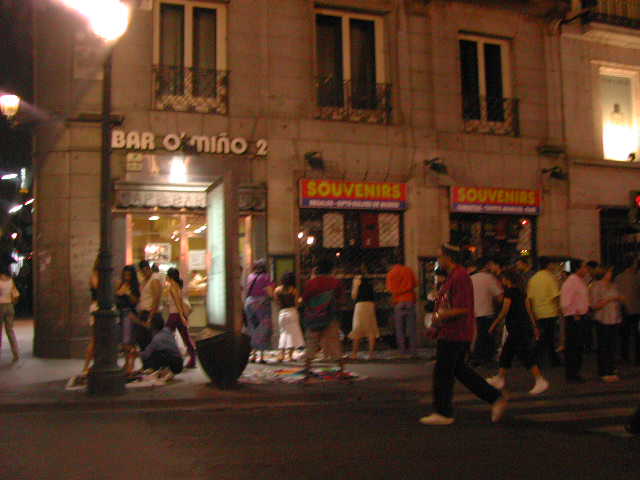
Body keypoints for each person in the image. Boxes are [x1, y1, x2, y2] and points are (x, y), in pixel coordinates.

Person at [420, 244, 507, 426]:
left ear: (448, 257)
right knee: (460, 371)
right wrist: (437, 324)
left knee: (443, 373)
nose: (438, 260)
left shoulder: (459, 277)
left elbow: (462, 308)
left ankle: (444, 412)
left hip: (455, 332)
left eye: (440, 256)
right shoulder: (453, 277)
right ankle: (494, 397)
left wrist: (441, 316)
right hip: (450, 331)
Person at [486, 270, 549, 395]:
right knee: (507, 353)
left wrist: (494, 324)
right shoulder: (522, 292)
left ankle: (540, 380)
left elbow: (504, 311)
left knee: (524, 354)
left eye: (503, 278)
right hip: (523, 326)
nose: (501, 281)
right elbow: (528, 310)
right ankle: (500, 378)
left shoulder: (509, 293)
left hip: (516, 328)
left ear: (507, 279)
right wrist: (534, 326)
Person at [302, 259, 346, 377]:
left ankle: (307, 368)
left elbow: (305, 298)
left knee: (311, 342)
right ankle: (341, 369)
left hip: (313, 317)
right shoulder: (336, 282)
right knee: (334, 342)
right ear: (331, 269)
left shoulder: (311, 283)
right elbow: (341, 299)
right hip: (330, 317)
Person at [590, 267, 624, 382]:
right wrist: (609, 299)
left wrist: (619, 300)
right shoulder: (596, 286)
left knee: (612, 345)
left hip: (614, 319)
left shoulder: (613, 285)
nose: (611, 274)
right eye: (609, 272)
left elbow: (618, 298)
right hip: (603, 319)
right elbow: (594, 305)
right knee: (604, 346)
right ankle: (604, 371)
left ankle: (611, 369)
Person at [527, 257, 563, 367]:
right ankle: (534, 359)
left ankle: (553, 359)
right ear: (548, 265)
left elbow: (530, 298)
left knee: (546, 337)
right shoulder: (550, 278)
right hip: (550, 312)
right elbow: (556, 296)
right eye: (553, 264)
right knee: (546, 338)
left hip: (538, 312)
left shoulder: (533, 279)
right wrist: (560, 309)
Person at [560, 259, 590, 383]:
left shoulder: (578, 281)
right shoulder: (571, 282)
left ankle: (575, 372)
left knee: (578, 347)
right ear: (577, 268)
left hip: (579, 317)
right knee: (573, 347)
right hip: (574, 318)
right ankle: (572, 374)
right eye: (583, 267)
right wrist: (575, 312)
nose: (586, 270)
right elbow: (565, 302)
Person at [469, 258, 503, 366]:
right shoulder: (489, 278)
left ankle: (474, 357)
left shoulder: (471, 279)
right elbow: (500, 296)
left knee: (476, 335)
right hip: (486, 311)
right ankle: (485, 358)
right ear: (486, 266)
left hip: (472, 312)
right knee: (486, 336)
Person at [165, 268, 197, 369]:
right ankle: (192, 359)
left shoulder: (172, 286)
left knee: (166, 336)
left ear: (170, 276)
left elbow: (177, 302)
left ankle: (171, 359)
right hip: (178, 315)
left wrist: (182, 316)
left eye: (167, 275)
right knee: (185, 337)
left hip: (175, 315)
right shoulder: (178, 285)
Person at [386, 258, 418, 357]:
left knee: (400, 329)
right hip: (409, 300)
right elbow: (415, 284)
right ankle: (413, 351)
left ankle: (402, 351)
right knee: (412, 329)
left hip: (398, 302)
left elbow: (391, 290)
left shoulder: (391, 273)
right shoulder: (408, 270)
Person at [244, 259, 274, 363]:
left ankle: (252, 355)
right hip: (261, 305)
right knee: (262, 329)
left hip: (249, 304)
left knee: (252, 329)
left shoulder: (250, 276)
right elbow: (270, 292)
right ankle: (261, 357)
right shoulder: (265, 277)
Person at [139, 315, 183, 380]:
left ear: (153, 325)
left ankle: (166, 371)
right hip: (179, 363)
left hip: (174, 366)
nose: (148, 323)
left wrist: (136, 354)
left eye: (149, 322)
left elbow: (146, 354)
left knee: (155, 353)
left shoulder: (157, 338)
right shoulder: (167, 330)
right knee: (160, 350)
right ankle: (164, 370)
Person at [115, 265, 140, 375]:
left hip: (129, 314)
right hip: (121, 314)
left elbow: (135, 301)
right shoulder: (120, 284)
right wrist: (119, 293)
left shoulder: (134, 287)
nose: (126, 277)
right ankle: (127, 362)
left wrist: (128, 293)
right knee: (124, 341)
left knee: (128, 341)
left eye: (129, 275)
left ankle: (131, 363)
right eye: (125, 275)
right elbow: (116, 298)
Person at [348, 272, 380, 360]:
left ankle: (354, 353)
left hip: (360, 306)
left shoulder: (357, 281)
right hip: (370, 305)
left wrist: (355, 286)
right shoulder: (369, 284)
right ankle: (371, 354)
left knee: (357, 329)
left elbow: (354, 296)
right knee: (371, 329)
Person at [274, 272, 304, 362]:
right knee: (293, 334)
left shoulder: (277, 290)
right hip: (292, 312)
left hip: (282, 313)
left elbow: (277, 302)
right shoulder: (294, 290)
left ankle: (281, 354)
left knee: (283, 333)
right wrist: (300, 301)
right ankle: (290, 356)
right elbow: (297, 303)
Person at [615, 258, 640, 365]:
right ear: (632, 265)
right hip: (636, 309)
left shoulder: (618, 277)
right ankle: (637, 358)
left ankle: (624, 357)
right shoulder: (637, 277)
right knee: (637, 335)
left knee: (624, 335)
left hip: (623, 309)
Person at [137, 260, 164, 351]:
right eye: (142, 271)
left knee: (151, 342)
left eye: (146, 270)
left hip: (152, 314)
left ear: (149, 268)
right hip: (144, 313)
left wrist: (150, 318)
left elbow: (156, 299)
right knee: (143, 341)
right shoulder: (144, 281)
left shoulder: (154, 279)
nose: (144, 273)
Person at [82, 256, 100, 374]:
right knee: (95, 338)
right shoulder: (94, 275)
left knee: (99, 339)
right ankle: (86, 366)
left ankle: (93, 364)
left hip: (100, 306)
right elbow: (98, 288)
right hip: (96, 306)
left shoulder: (99, 275)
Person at [0, 265, 20, 362]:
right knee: (10, 331)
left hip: (1, 306)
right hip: (10, 306)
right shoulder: (11, 281)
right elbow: (15, 294)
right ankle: (16, 353)